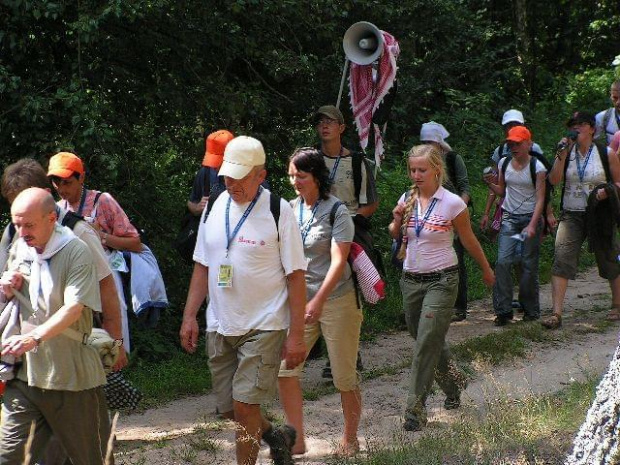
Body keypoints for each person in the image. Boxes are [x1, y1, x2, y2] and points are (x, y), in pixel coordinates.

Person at [179, 136, 307, 465]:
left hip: (264, 324)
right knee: (230, 409)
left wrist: (295, 336)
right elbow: (202, 265)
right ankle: (276, 436)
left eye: (240, 176)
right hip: (220, 323)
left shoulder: (279, 211)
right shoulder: (214, 206)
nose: (231, 183)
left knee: (246, 407)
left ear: (260, 175)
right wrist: (190, 316)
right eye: (227, 176)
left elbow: (295, 277)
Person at [389, 144, 495, 432]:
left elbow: (469, 240)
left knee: (425, 344)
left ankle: (415, 410)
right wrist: (397, 218)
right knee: (424, 337)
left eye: (422, 169)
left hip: (443, 280)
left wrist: (486, 270)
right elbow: (395, 233)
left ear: (437, 170)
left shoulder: (452, 203)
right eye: (413, 169)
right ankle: (455, 382)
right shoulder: (408, 197)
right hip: (410, 279)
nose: (416, 174)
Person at [0, 188, 110, 464]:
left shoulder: (76, 251)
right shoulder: (21, 246)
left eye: (29, 224)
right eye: (16, 224)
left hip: (69, 379)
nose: (22, 231)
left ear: (51, 218)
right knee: (8, 456)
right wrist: (6, 289)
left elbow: (74, 308)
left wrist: (34, 337)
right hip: (24, 377)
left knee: (89, 458)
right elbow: (16, 300)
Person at [0, 158, 127, 370]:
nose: (20, 217)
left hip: (73, 355)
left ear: (45, 195)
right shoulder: (13, 232)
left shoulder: (78, 232)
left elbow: (107, 287)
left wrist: (116, 342)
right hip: (27, 359)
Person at [278, 148, 362, 456]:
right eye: (291, 175)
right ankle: (296, 439)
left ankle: (350, 439)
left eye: (301, 176)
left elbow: (339, 261)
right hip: (300, 302)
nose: (295, 181)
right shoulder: (288, 209)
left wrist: (319, 301)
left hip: (338, 299)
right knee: (285, 371)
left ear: (317, 177)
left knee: (343, 375)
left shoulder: (336, 210)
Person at [47, 151, 168, 351]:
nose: (61, 189)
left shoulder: (102, 201)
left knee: (112, 326)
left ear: (82, 178)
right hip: (74, 278)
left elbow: (135, 242)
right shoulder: (57, 209)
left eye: (67, 182)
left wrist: (100, 236)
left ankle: (117, 365)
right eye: (56, 183)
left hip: (105, 274)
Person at [314, 104, 378, 377]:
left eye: (330, 122)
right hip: (318, 234)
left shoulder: (357, 162)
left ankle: (345, 355)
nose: (324, 126)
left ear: (342, 128)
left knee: (347, 294)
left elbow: (371, 204)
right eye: (320, 122)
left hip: (349, 234)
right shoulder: (311, 162)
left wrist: (348, 223)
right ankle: (328, 351)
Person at [542, 111, 620, 329]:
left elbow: (619, 183)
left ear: (592, 128)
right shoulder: (566, 153)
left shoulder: (606, 153)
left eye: (581, 124)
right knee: (562, 257)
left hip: (600, 212)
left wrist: (608, 191)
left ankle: (617, 303)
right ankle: (556, 314)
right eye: (573, 125)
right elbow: (554, 181)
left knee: (609, 256)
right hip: (572, 212)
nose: (576, 128)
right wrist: (561, 155)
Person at [484, 126, 547, 326]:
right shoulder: (504, 163)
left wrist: (532, 224)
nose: (513, 147)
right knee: (503, 262)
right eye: (511, 143)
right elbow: (502, 191)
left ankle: (531, 310)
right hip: (509, 217)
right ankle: (503, 311)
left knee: (528, 265)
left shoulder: (537, 167)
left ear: (528, 144)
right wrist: (489, 184)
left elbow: (540, 199)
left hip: (531, 217)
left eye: (518, 143)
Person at [420, 121, 471, 321]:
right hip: (430, 216)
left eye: (429, 141)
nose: (426, 145)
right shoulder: (422, 162)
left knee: (456, 261)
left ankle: (459, 307)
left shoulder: (452, 159)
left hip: (453, 216)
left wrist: (458, 211)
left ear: (439, 143)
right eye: (423, 141)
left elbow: (465, 187)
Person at [187, 129, 233, 217]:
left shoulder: (247, 178)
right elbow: (191, 202)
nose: (215, 166)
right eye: (212, 160)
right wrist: (197, 208)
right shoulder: (206, 172)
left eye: (218, 160)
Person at [595, 80, 620, 145]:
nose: (618, 102)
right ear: (610, 95)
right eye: (615, 98)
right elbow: (590, 142)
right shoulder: (602, 117)